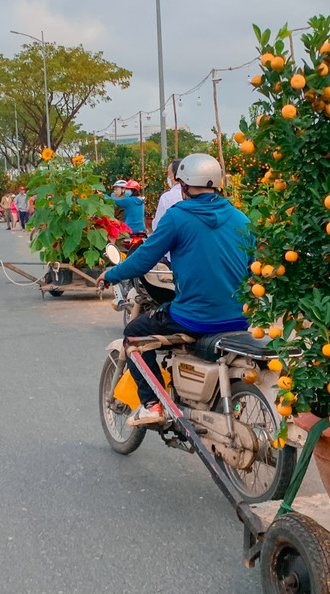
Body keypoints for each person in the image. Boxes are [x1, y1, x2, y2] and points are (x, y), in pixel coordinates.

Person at [100, 153, 249, 428]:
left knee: (134, 334)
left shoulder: (178, 216)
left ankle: (151, 403)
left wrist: (111, 274)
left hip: (195, 318)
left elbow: (144, 258)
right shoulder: (240, 218)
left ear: (182, 185)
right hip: (241, 318)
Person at [151, 159, 184, 232]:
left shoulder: (167, 197)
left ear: (176, 175)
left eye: (169, 174)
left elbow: (158, 226)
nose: (168, 177)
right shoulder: (195, 194)